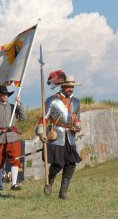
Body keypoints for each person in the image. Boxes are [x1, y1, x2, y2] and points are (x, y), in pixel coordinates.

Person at [36, 71, 82, 200]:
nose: (70, 89)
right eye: (68, 86)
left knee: (71, 164)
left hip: (70, 137)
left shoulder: (76, 102)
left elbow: (77, 119)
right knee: (57, 164)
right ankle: (50, 180)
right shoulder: (52, 100)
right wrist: (41, 133)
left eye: (72, 86)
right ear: (61, 86)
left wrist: (77, 126)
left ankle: (62, 192)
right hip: (56, 135)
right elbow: (43, 119)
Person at [0, 85, 27, 191]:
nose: (4, 96)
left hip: (12, 137)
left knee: (15, 159)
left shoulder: (13, 107)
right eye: (2, 94)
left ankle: (14, 184)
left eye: (6, 94)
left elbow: (24, 117)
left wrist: (19, 104)